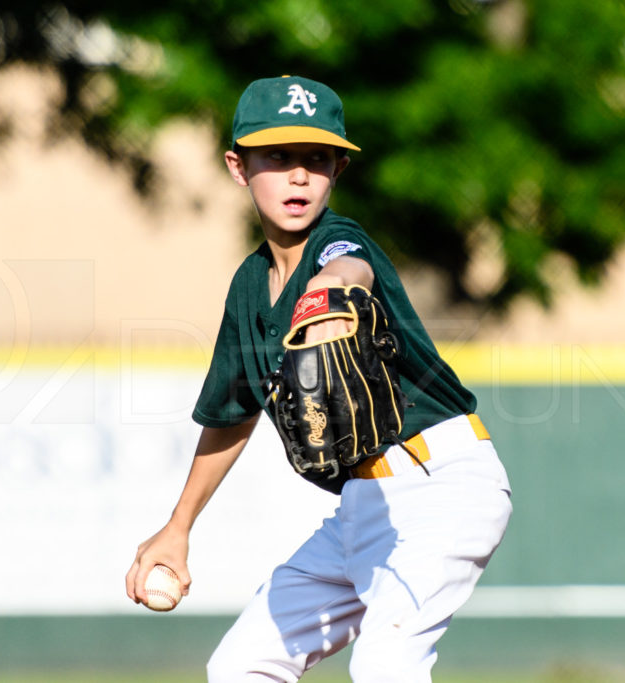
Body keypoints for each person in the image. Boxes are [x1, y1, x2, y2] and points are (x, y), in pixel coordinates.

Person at [125, 75, 512, 682]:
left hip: (442, 486)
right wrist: (178, 528)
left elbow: (349, 267)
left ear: (339, 171)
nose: (299, 177)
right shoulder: (250, 288)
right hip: (363, 507)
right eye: (277, 158)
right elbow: (232, 416)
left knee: (387, 663)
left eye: (317, 160)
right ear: (238, 166)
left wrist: (331, 296)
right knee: (241, 667)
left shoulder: (337, 242)